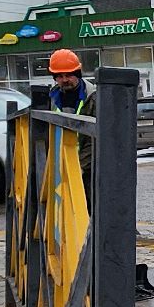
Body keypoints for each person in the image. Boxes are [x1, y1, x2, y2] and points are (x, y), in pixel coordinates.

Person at [46, 48, 95, 200]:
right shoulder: (51, 98)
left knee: (87, 207)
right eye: (59, 76)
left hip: (86, 167)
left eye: (68, 75)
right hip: (58, 164)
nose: (64, 79)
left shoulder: (93, 97)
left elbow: (93, 140)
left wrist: (80, 167)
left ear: (77, 74)